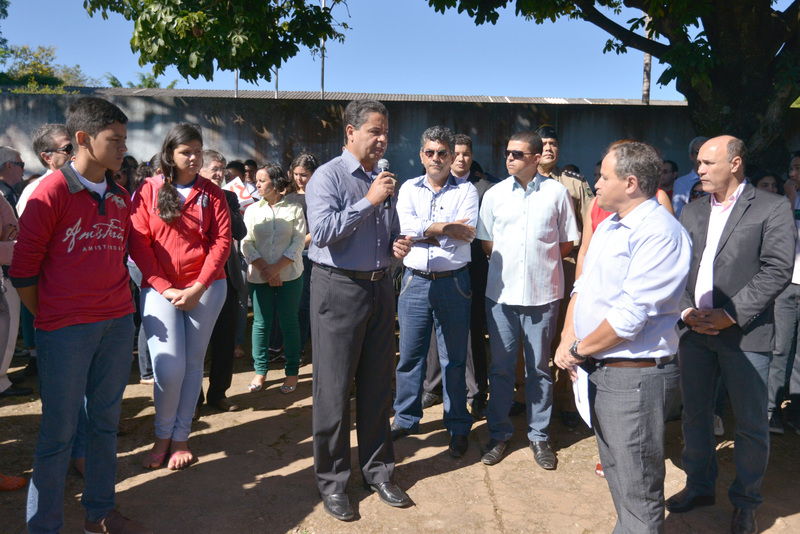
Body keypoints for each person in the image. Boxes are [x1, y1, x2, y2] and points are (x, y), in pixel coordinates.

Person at [11, 96, 151, 533]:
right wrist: (54, 315)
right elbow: (23, 271)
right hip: (65, 331)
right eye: (115, 139)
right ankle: (44, 526)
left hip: (117, 324)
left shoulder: (121, 196)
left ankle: (100, 514)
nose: (123, 147)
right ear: (83, 139)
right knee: (58, 435)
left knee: (105, 426)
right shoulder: (50, 192)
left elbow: (123, 257)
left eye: (125, 139)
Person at [555, 141, 692, 533]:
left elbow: (631, 316)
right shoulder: (610, 225)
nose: (595, 183)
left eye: (603, 176)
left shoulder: (660, 232)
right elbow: (583, 286)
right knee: (618, 471)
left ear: (630, 183)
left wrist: (578, 349)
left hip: (633, 377)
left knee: (637, 486)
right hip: (601, 368)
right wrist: (567, 336)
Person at [667, 136, 795, 534]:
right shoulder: (692, 208)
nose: (699, 169)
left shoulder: (772, 207)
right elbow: (677, 265)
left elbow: (777, 269)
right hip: (695, 331)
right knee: (695, 415)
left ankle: (746, 502)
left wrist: (730, 315)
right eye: (698, 163)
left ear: (735, 163)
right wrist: (686, 310)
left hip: (745, 334)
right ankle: (700, 486)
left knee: (751, 423)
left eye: (708, 162)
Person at [306, 99, 413, 521]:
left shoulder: (382, 179)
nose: (382, 139)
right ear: (350, 132)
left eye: (385, 131)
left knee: (377, 386)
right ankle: (333, 482)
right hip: (338, 289)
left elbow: (388, 231)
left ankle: (378, 471)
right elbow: (322, 232)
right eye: (375, 130)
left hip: (379, 287)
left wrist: (397, 245)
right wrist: (369, 200)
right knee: (333, 390)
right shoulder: (327, 176)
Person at [130, 123, 231, 471]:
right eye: (186, 151)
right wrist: (164, 286)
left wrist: (198, 287)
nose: (194, 158)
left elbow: (221, 243)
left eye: (198, 151)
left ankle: (179, 438)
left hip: (207, 287)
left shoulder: (212, 193)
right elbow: (138, 242)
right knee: (168, 366)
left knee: (191, 364)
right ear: (169, 154)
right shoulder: (149, 189)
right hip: (159, 289)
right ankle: (161, 435)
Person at [476, 130, 578, 468]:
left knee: (539, 369)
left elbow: (566, 242)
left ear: (536, 159)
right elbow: (487, 241)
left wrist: (537, 264)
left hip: (543, 294)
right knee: (501, 368)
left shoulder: (557, 193)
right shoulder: (494, 194)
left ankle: (539, 436)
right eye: (508, 152)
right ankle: (499, 434)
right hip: (501, 296)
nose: (509, 158)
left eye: (517, 154)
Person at [390, 126, 479, 458]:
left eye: (443, 153)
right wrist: (444, 228)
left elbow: (465, 234)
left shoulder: (467, 190)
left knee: (453, 359)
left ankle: (457, 424)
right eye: (430, 152)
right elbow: (405, 227)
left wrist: (422, 232)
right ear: (421, 155)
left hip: (453, 282)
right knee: (409, 355)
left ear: (451, 156)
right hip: (414, 280)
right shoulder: (408, 188)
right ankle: (406, 418)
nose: (437, 158)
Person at [421, 134, 496, 420]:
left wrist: (441, 230)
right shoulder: (433, 183)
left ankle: (476, 393)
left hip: (473, 269)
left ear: (472, 156)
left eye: (466, 153)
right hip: (436, 268)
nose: (461, 158)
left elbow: (473, 232)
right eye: (457, 153)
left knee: (472, 331)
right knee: (434, 328)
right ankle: (432, 386)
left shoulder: (485, 188)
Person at [535, 125, 595, 428]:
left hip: (568, 266)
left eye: (553, 144)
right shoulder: (523, 181)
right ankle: (526, 397)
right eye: (543, 143)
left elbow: (590, 226)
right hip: (535, 268)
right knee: (533, 334)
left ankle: (568, 400)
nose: (548, 148)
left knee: (567, 330)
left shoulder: (575, 183)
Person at [243, 163, 306, 394]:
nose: (257, 184)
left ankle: (292, 372)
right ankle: (260, 370)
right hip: (259, 276)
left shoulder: (294, 209)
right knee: (261, 324)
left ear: (276, 182)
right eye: (257, 181)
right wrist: (265, 269)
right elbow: (246, 242)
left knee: (289, 322)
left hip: (290, 275)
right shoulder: (252, 210)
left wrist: (276, 269)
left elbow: (298, 242)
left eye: (262, 180)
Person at [197, 150, 247, 412]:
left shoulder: (229, 196)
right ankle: (193, 400)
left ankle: (218, 393)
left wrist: (222, 201)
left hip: (227, 278)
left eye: (223, 169)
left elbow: (240, 231)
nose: (220, 173)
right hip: (196, 280)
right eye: (215, 168)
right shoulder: (190, 195)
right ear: (200, 169)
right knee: (195, 345)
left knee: (225, 340)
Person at [284, 152, 319, 356]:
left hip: (307, 254)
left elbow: (317, 230)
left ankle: (302, 346)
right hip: (288, 254)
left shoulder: (318, 196)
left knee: (304, 302)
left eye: (304, 175)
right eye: (296, 174)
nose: (299, 178)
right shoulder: (288, 196)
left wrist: (296, 246)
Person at [671, 136, 709, 218]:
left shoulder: (719, 180)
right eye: (698, 151)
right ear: (691, 156)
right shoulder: (681, 183)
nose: (703, 155)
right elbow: (679, 215)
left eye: (707, 151)